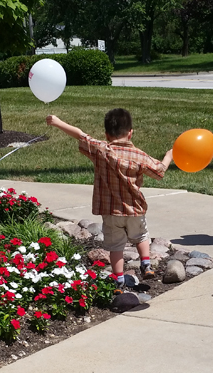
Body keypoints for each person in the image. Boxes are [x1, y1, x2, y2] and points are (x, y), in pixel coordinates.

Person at [46, 108, 173, 292]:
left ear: (106, 134)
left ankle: (119, 279)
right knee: (141, 236)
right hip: (134, 210)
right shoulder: (139, 155)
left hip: (111, 212)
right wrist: (168, 156)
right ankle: (146, 264)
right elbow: (159, 171)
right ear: (130, 133)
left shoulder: (101, 150)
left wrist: (57, 122)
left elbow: (81, 135)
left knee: (116, 247)